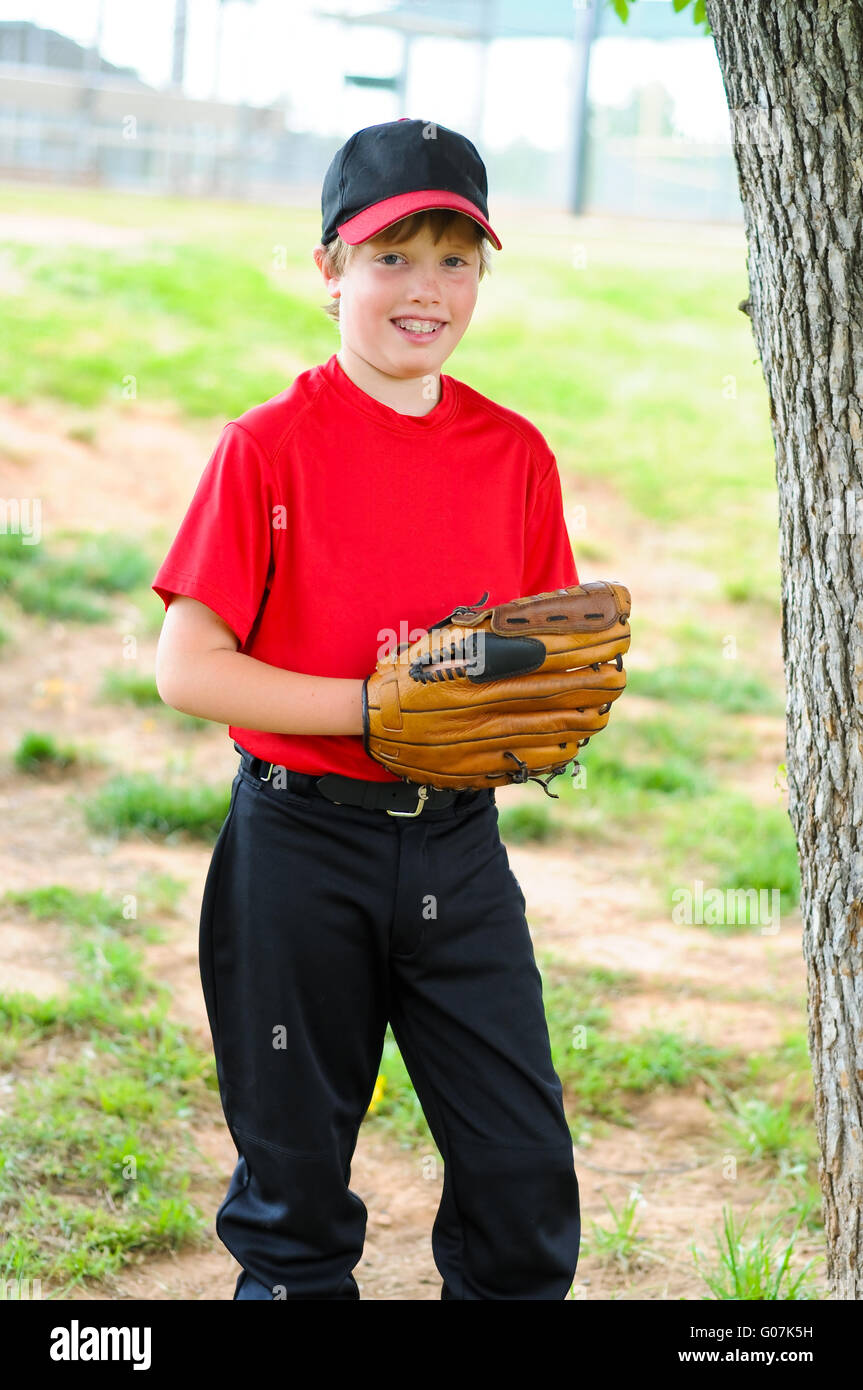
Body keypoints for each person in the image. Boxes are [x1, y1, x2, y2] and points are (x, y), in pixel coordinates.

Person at [152, 117, 581, 1300]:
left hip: (459, 847)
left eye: (455, 258)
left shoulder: (513, 455)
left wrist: (535, 714)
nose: (424, 289)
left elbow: (533, 657)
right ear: (329, 270)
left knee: (519, 1171)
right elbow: (188, 668)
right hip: (299, 850)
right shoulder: (267, 449)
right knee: (293, 1201)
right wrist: (383, 705)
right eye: (391, 254)